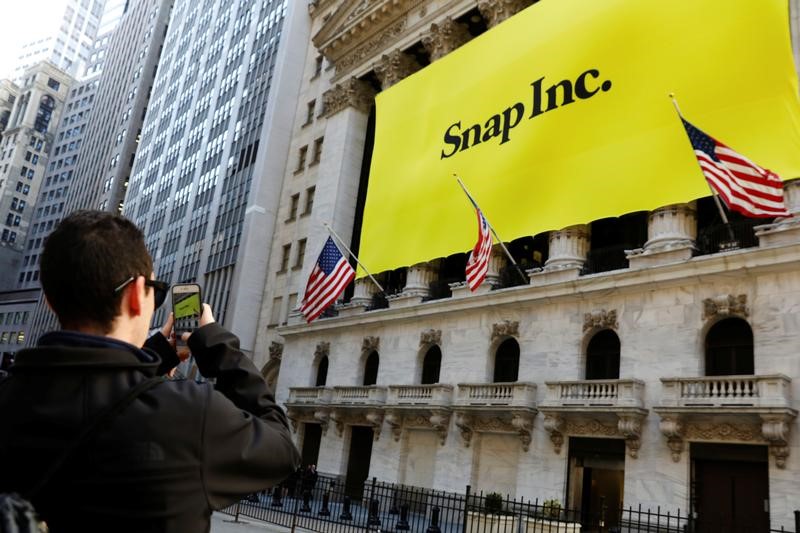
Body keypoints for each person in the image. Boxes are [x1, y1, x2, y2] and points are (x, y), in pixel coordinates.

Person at [0, 211, 300, 532]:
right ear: (134, 295)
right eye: (154, 290)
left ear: (49, 301)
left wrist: (156, 354)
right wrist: (216, 345)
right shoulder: (189, 415)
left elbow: (95, 388)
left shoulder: (8, 398)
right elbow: (282, 447)